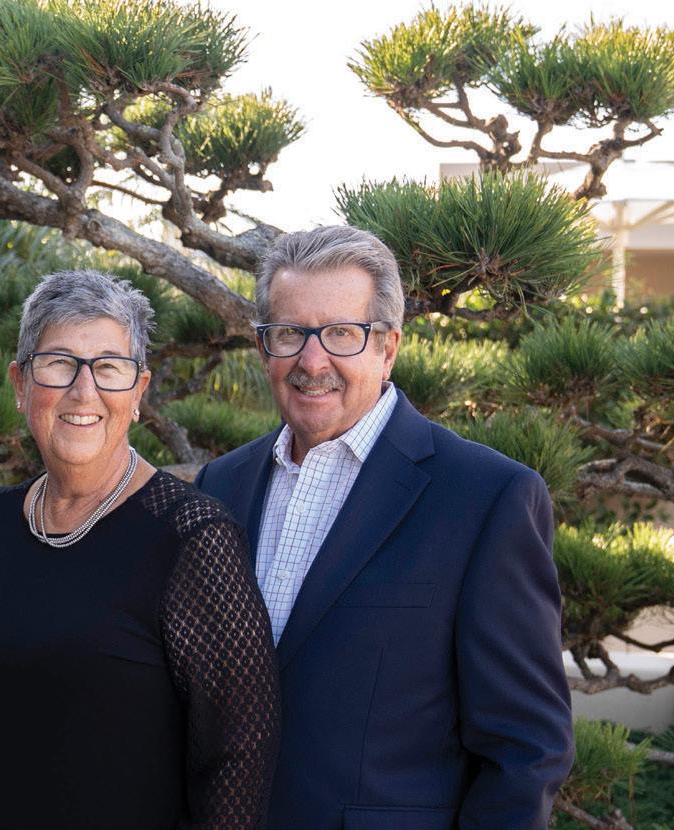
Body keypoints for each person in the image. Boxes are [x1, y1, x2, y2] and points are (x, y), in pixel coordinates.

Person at [195, 225, 574, 829]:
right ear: (264, 347)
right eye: (290, 333)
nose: (312, 361)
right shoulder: (220, 486)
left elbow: (526, 750)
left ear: (388, 347)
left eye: (342, 333)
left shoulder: (485, 498)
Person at [0, 270, 280, 829]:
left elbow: (238, 756)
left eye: (109, 367)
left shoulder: (193, 536)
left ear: (138, 392)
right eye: (59, 363)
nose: (83, 390)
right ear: (20, 383)